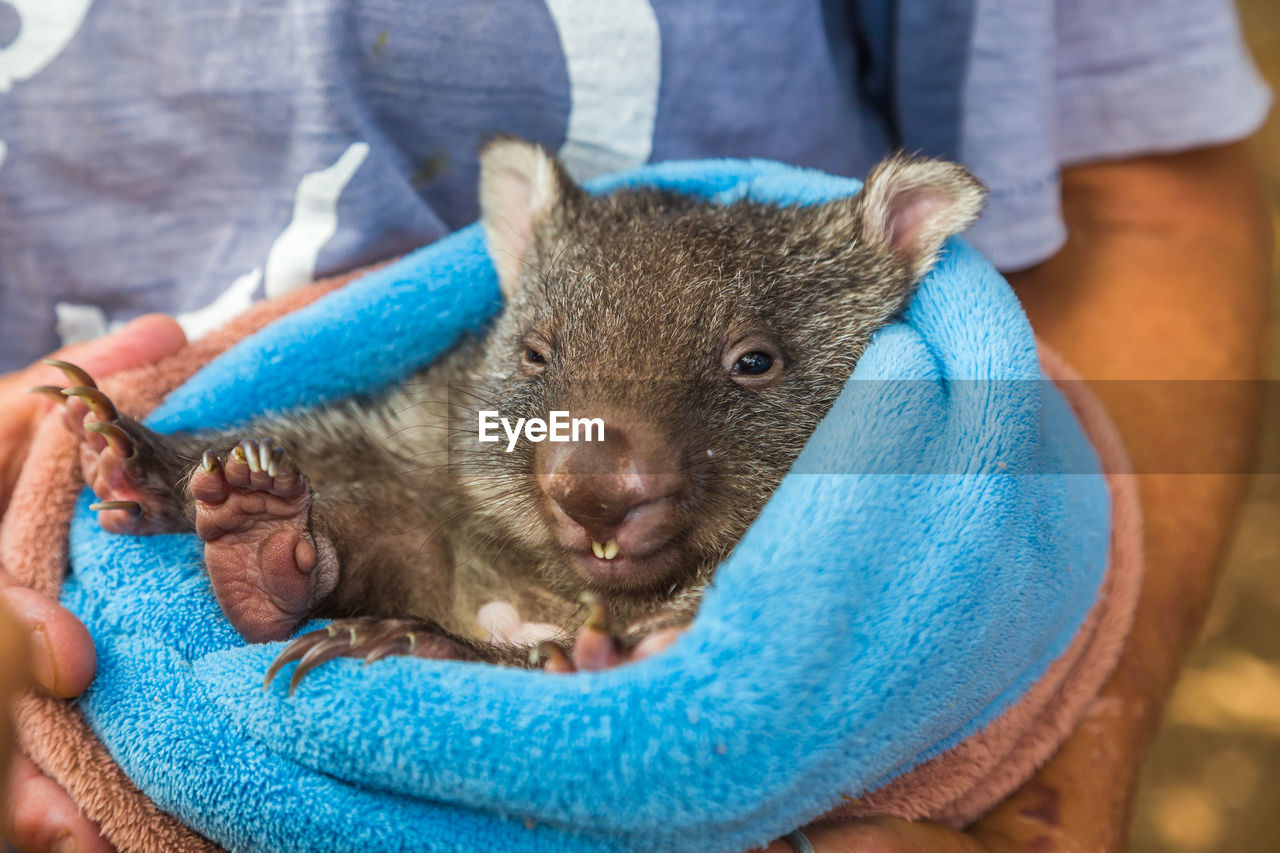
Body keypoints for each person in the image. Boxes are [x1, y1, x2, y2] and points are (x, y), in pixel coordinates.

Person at [0, 1, 1271, 850]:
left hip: (676, 579)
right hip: (446, 494)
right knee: (371, 476)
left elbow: (1140, 200)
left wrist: (1057, 767)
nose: (600, 472)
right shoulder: (513, 377)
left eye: (753, 364)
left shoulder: (864, 337)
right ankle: (304, 563)